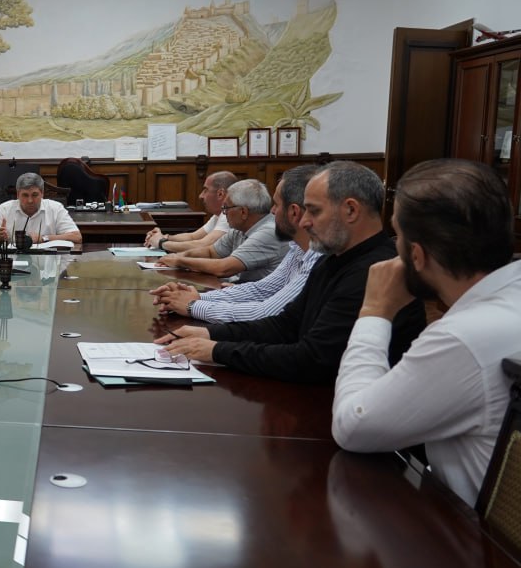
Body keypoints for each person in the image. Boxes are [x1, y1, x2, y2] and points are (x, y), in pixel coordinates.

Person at [332, 159, 521, 505]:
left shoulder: (462, 337)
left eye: (398, 236)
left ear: (415, 256)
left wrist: (375, 311)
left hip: (477, 546)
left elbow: (353, 426)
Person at [160, 161, 425, 383]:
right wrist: (209, 334)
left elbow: (313, 359)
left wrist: (218, 350)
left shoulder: (372, 270)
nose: (305, 221)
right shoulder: (333, 258)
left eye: (314, 211)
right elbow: (285, 324)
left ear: (351, 210)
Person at [152, 165, 322, 322]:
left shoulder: (311, 252)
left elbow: (265, 312)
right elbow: (262, 290)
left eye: (276, 204)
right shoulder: (297, 248)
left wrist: (192, 305)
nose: (272, 211)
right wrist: (192, 296)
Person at [156, 179, 287, 282]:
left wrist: (180, 261)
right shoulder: (239, 229)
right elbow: (210, 252)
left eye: (226, 208)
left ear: (243, 212)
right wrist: (178, 256)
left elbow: (223, 268)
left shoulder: (268, 232)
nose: (224, 213)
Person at [143, 171, 236, 252]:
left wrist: (161, 242)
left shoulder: (229, 215)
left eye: (206, 190)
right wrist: (164, 237)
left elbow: (202, 245)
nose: (201, 196)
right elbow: (193, 237)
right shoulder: (218, 215)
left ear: (220, 194)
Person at [0, 172, 82, 245]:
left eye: (35, 195)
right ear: (17, 195)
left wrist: (43, 238)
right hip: (15, 263)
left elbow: (77, 237)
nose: (30, 200)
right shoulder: (5, 208)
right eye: (25, 195)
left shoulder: (55, 208)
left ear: (42, 193)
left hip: (47, 265)